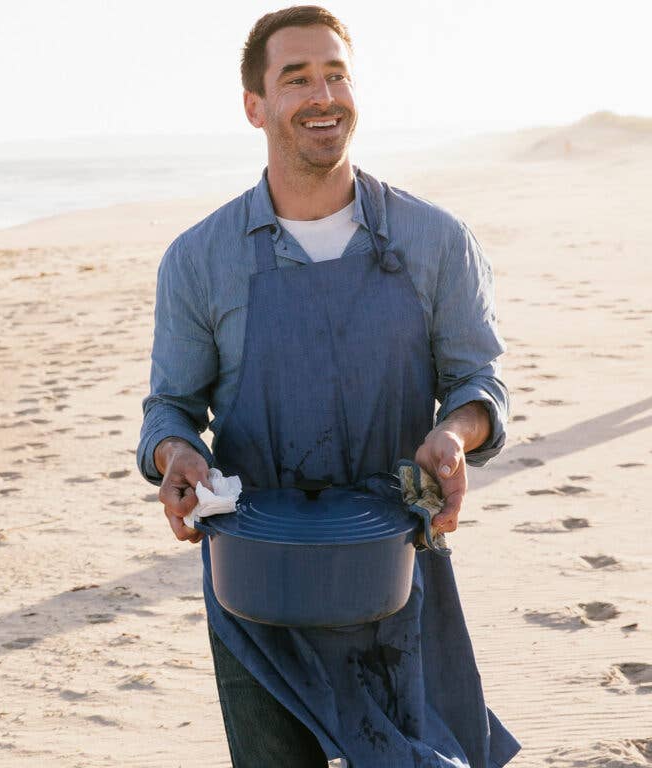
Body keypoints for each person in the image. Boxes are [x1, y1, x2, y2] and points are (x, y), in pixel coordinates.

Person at [136, 6, 521, 767]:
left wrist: (454, 435)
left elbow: (478, 381)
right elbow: (171, 407)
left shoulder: (434, 240)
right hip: (256, 575)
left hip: (394, 565)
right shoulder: (198, 258)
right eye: (297, 78)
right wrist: (175, 457)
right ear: (256, 106)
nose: (324, 95)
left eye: (337, 74)